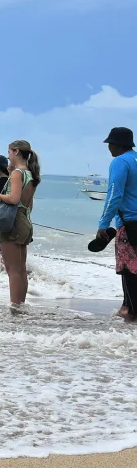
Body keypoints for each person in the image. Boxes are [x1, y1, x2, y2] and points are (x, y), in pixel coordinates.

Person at [0, 140, 40, 308]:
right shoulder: (30, 173)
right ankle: (21, 304)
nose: (8, 155)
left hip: (13, 222)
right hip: (25, 220)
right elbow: (28, 203)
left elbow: (13, 199)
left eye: (9, 152)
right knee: (20, 268)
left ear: (16, 151)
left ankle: (15, 306)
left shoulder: (18, 173)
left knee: (12, 270)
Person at [95, 127, 137, 322]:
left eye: (110, 143)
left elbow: (114, 195)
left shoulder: (120, 162)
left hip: (129, 224)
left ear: (118, 144)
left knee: (128, 268)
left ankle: (131, 312)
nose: (109, 147)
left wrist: (103, 223)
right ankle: (126, 306)